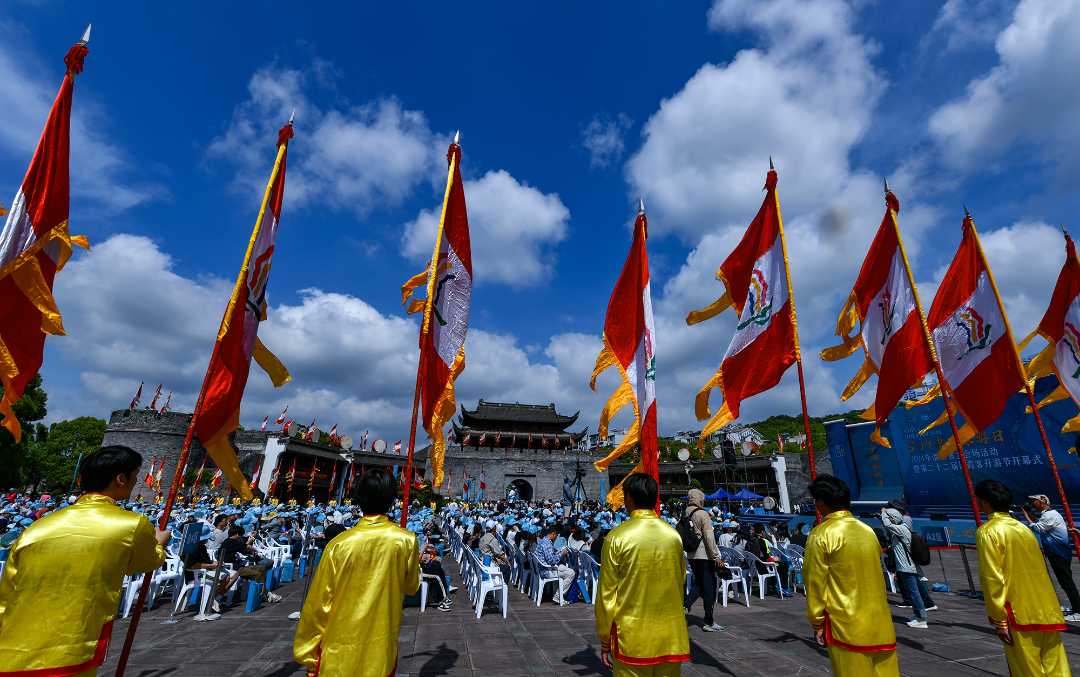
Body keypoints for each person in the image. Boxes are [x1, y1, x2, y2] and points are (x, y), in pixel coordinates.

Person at [0, 446, 170, 675]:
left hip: (11, 650)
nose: (135, 482)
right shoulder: (131, 525)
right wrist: (159, 543)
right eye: (135, 476)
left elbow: (7, 596)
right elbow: (146, 563)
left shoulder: (36, 529)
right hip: (72, 647)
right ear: (121, 478)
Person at [293, 469, 419, 676]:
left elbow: (318, 605)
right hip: (380, 652)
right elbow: (411, 586)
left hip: (337, 650)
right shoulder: (406, 541)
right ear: (392, 500)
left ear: (358, 499)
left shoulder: (338, 545)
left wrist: (307, 653)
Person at [804, 474, 898, 676]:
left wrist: (817, 621)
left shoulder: (821, 534)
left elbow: (815, 584)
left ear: (820, 503)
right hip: (881, 623)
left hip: (845, 626)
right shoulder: (867, 530)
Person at [596, 474, 690, 676]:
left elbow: (607, 594)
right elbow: (680, 582)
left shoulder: (616, 538)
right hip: (671, 635)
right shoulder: (673, 536)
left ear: (628, 498)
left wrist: (605, 638)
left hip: (632, 637)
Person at [974, 480, 1069, 676]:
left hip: (1018, 612)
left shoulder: (988, 531)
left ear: (984, 503)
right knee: (1057, 668)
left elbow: (993, 578)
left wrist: (999, 619)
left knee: (1027, 670)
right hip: (1047, 608)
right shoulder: (1023, 528)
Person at [1022, 494, 1080, 622]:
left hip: (1058, 552)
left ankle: (1078, 610)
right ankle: (1076, 607)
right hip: (1059, 552)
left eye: (1035, 501)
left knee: (1066, 582)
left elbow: (1038, 528)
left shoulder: (1049, 515)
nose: (1032, 503)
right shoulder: (1051, 514)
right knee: (1065, 581)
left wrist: (1026, 516)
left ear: (1043, 502)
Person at [683, 488, 725, 632]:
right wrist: (716, 556)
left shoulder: (686, 512)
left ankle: (685, 605)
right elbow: (709, 536)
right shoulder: (703, 514)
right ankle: (709, 621)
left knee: (699, 584)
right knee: (709, 588)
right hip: (704, 555)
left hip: (691, 555)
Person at [880, 507, 928, 628]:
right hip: (907, 566)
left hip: (907, 567)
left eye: (891, 518)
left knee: (914, 593)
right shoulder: (902, 529)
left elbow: (887, 525)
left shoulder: (901, 529)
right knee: (913, 592)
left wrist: (884, 514)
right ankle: (918, 615)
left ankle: (922, 619)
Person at [216, 525, 282, 604]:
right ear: (237, 534)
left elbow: (243, 547)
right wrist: (254, 547)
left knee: (262, 568)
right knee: (257, 574)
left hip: (238, 566)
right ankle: (264, 594)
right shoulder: (231, 542)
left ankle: (264, 592)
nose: (241, 537)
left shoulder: (230, 541)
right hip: (235, 568)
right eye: (240, 535)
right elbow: (246, 547)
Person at [536, 525, 576, 604]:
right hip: (547, 571)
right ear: (553, 534)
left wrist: (558, 552)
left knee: (568, 570)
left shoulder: (543, 541)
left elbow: (550, 556)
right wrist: (562, 554)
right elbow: (552, 561)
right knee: (571, 573)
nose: (556, 537)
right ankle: (558, 596)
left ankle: (557, 595)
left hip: (544, 568)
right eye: (556, 535)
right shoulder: (546, 544)